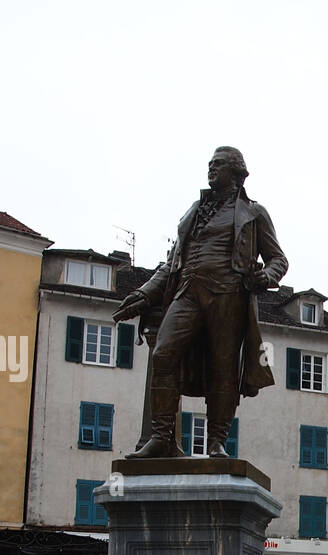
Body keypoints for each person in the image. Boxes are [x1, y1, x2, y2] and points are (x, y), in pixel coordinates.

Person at [114, 146, 288, 458]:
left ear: (236, 174)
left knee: (223, 370)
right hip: (187, 292)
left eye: (218, 165)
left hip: (228, 294)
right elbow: (171, 264)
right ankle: (161, 438)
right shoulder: (194, 211)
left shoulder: (254, 213)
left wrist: (266, 278)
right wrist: (144, 293)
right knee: (163, 355)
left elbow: (278, 259)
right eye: (210, 164)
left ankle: (217, 442)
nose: (211, 169)